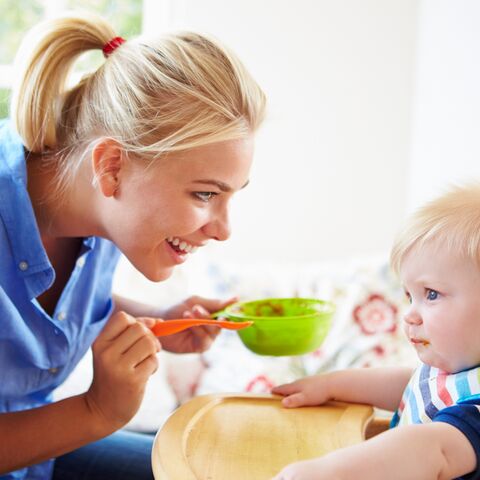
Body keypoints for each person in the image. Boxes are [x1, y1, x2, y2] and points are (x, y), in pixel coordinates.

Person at [0, 10, 265, 480]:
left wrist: (161, 320)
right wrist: (98, 411)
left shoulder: (93, 201)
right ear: (112, 167)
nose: (223, 230)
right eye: (205, 194)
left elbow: (25, 304)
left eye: (230, 196)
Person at [271, 183, 480, 480]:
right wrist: (331, 385)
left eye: (431, 294)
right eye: (409, 296)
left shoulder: (474, 412)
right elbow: (408, 384)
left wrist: (327, 472)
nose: (409, 314)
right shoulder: (453, 366)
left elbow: (431, 449)